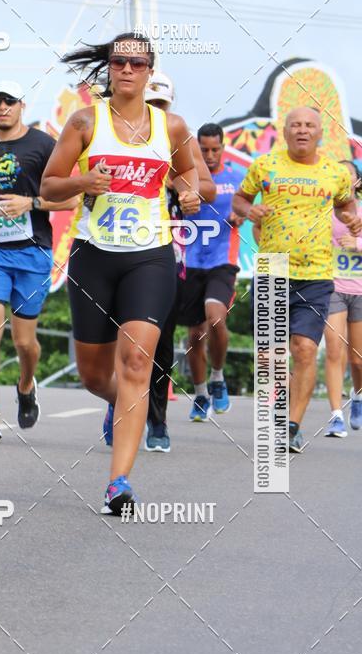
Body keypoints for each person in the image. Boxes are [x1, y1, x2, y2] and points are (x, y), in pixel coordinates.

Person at [41, 33, 200, 513]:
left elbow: (190, 175)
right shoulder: (85, 122)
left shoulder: (172, 126)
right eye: (119, 62)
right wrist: (83, 181)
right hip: (94, 255)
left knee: (135, 363)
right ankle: (123, 402)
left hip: (150, 256)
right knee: (94, 375)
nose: (127, 70)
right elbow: (49, 186)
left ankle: (118, 483)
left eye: (137, 63)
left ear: (150, 71)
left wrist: (189, 194)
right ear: (109, 68)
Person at [0, 80, 77, 441]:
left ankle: (25, 384)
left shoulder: (44, 145)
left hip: (32, 252)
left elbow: (70, 198)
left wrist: (31, 203)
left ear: (22, 105)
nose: (2, 107)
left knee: (24, 343)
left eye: (9, 101)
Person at [233, 106, 362, 452]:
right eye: (296, 125)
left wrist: (351, 219)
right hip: (273, 269)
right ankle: (286, 402)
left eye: (309, 125)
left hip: (316, 274)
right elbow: (240, 199)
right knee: (270, 357)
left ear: (320, 133)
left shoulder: (335, 172)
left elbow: (346, 204)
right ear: (285, 130)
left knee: (304, 349)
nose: (302, 130)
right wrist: (249, 210)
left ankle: (291, 426)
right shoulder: (264, 165)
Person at [143, 75, 217, 451]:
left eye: (162, 105)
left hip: (166, 249)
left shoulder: (179, 136)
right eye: (150, 104)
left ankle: (157, 422)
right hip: (115, 244)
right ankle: (116, 403)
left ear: (170, 105)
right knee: (117, 338)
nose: (156, 111)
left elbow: (208, 188)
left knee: (161, 338)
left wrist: (184, 187)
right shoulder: (114, 133)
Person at [179, 123, 245, 422]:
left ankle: (218, 377)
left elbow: (247, 205)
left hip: (222, 261)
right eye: (203, 149)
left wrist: (240, 214)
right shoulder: (185, 177)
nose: (209, 155)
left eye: (214, 149)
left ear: (223, 147)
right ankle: (201, 394)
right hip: (190, 261)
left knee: (216, 317)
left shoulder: (236, 178)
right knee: (195, 334)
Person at [323, 159, 362, 436]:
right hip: (332, 287)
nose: (343, 179)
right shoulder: (324, 210)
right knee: (334, 350)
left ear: (358, 182)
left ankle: (357, 397)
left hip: (360, 290)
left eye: (347, 175)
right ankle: (336, 415)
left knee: (357, 359)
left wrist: (357, 244)